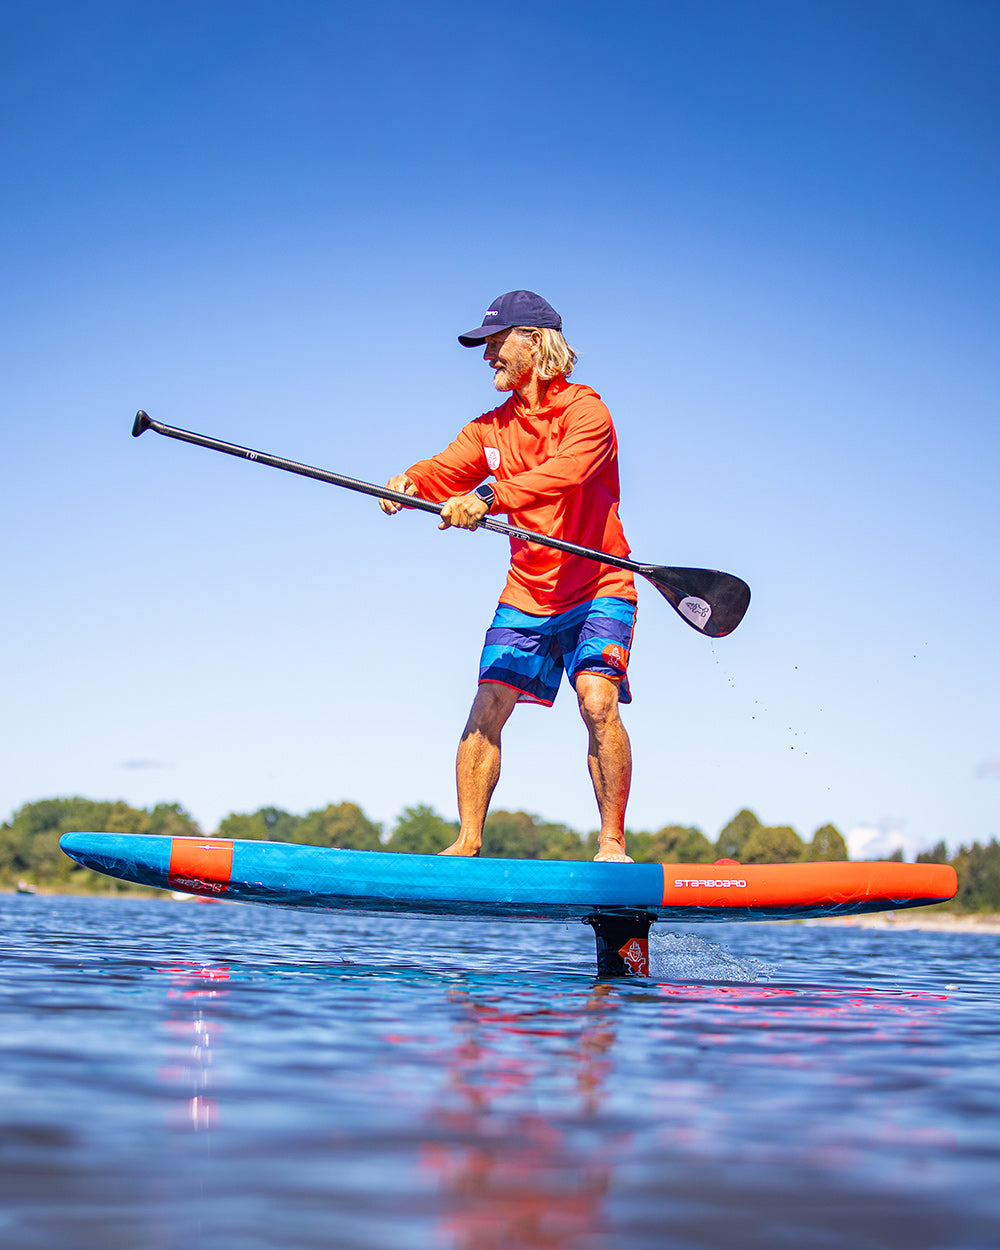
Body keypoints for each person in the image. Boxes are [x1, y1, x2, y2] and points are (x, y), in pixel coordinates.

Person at [380, 291, 637, 862]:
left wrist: (489, 496)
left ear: (535, 342)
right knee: (487, 705)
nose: (487, 355)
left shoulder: (586, 412)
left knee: (597, 701)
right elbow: (445, 468)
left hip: (599, 586)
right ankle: (467, 842)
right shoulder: (490, 429)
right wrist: (411, 482)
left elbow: (565, 474)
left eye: (497, 342)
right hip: (526, 593)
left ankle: (612, 844)